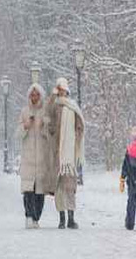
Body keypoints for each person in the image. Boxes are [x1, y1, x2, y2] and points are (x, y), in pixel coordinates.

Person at [45, 77, 85, 229]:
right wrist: (52, 96)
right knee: (59, 187)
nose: (61, 92)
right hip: (57, 153)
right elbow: (48, 117)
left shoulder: (72, 106)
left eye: (62, 89)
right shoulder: (54, 106)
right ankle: (61, 218)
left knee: (70, 187)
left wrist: (75, 137)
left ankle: (71, 218)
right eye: (58, 89)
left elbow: (80, 126)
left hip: (70, 154)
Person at [19, 83, 50, 229]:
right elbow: (17, 134)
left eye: (37, 94)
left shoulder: (45, 112)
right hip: (28, 157)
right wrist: (25, 126)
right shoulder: (25, 111)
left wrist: (44, 126)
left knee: (39, 192)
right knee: (28, 190)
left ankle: (36, 217)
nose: (35, 97)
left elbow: (50, 133)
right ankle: (28, 216)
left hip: (42, 157)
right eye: (32, 94)